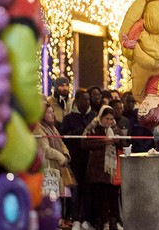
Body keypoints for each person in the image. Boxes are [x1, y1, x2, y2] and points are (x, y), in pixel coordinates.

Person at [81, 105, 124, 230]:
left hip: (112, 171)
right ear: (101, 117)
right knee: (99, 199)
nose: (109, 122)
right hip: (97, 170)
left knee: (112, 198)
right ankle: (101, 222)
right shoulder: (93, 128)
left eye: (111, 119)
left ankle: (114, 222)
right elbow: (84, 144)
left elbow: (124, 143)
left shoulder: (116, 129)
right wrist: (103, 142)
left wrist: (117, 141)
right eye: (106, 119)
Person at [35, 101, 76, 227]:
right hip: (49, 167)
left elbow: (61, 143)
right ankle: (54, 221)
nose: (52, 115)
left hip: (59, 166)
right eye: (49, 112)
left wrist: (66, 154)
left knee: (63, 195)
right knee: (51, 196)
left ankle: (63, 218)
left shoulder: (53, 128)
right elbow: (45, 149)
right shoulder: (39, 128)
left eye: (53, 112)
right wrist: (61, 157)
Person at [61, 90, 96, 230]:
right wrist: (79, 131)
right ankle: (75, 219)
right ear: (77, 101)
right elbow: (64, 137)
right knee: (75, 191)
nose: (87, 102)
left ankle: (87, 219)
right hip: (75, 159)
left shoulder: (94, 116)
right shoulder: (69, 118)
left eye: (88, 99)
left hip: (90, 159)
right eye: (83, 99)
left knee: (88, 191)